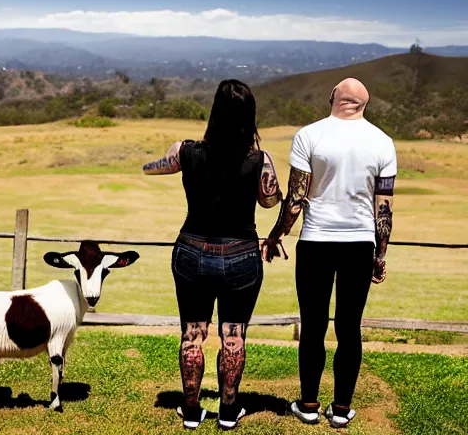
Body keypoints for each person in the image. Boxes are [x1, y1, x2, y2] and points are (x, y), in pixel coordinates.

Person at [143, 79, 281, 430]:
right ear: (249, 118)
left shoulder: (186, 151)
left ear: (214, 113)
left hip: (190, 249)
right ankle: (228, 410)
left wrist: (171, 161)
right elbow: (270, 200)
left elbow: (153, 167)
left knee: (192, 333)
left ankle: (191, 410)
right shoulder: (259, 160)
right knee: (233, 334)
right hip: (240, 254)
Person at [262, 77, 397, 429]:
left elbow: (295, 200)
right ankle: (340, 410)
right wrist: (379, 256)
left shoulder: (310, 135)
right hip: (360, 244)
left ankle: (308, 404)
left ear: (333, 98)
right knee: (349, 328)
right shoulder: (383, 142)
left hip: (316, 242)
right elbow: (383, 210)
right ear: (363, 105)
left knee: (313, 326)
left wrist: (277, 235)